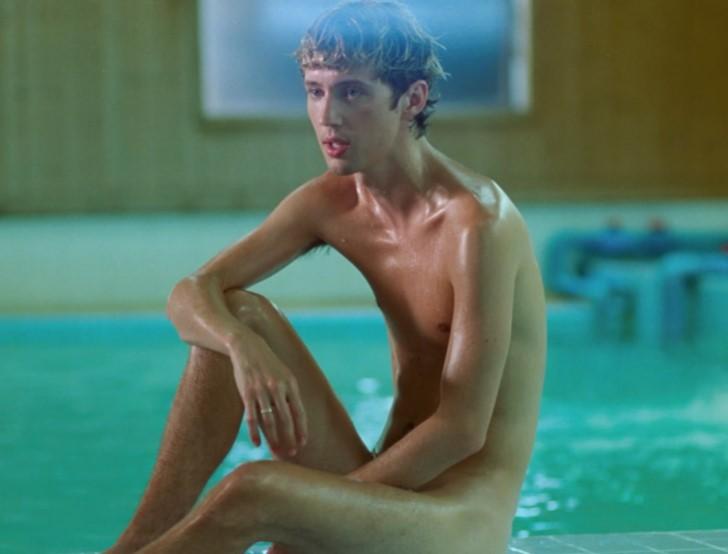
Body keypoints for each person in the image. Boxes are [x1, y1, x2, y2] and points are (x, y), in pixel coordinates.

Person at [107, 1, 546, 553]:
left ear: (412, 99)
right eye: (315, 91)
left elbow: (462, 429)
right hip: (382, 493)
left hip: (457, 523)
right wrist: (242, 347)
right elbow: (190, 293)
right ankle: (135, 543)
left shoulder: (476, 225)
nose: (328, 116)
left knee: (254, 491)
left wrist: (309, 518)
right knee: (236, 311)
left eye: (352, 92)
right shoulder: (332, 202)